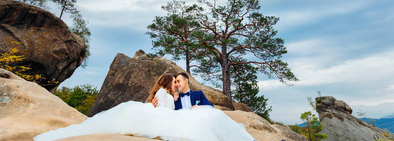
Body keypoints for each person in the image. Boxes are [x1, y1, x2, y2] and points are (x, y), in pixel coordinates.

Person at [34, 72, 255, 141]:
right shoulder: (164, 94)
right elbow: (170, 109)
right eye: (174, 81)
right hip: (166, 116)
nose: (176, 84)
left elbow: (201, 107)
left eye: (179, 81)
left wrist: (196, 109)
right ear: (169, 83)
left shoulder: (193, 94)